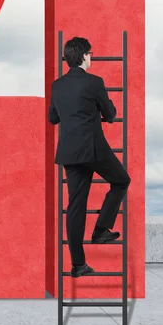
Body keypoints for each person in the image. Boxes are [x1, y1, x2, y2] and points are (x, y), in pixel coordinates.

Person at [48, 37, 131, 278]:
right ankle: (101, 230)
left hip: (69, 151)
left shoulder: (57, 85)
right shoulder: (94, 82)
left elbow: (53, 118)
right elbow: (111, 115)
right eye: (91, 54)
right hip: (93, 148)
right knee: (121, 181)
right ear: (84, 56)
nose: (91, 57)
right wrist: (102, 107)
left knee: (75, 207)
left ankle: (77, 265)